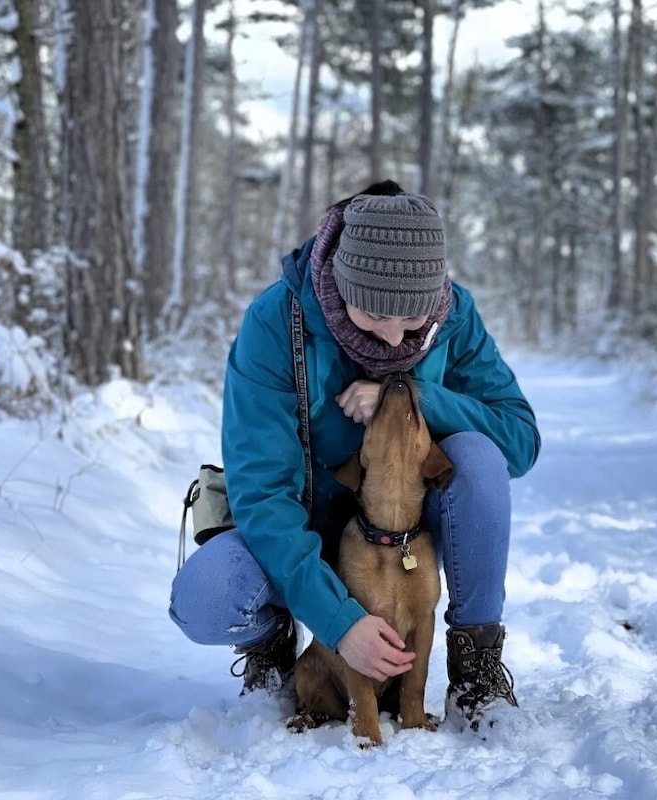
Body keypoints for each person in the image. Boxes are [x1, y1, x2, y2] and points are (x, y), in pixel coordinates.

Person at [169, 180, 541, 732]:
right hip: (308, 535)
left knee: (479, 460)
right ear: (339, 287)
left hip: (407, 531)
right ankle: (276, 645)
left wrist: (421, 398)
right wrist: (341, 623)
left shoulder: (453, 318)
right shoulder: (277, 324)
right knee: (207, 595)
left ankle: (477, 665)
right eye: (372, 318)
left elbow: (519, 440)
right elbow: (264, 493)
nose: (394, 342)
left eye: (412, 323)